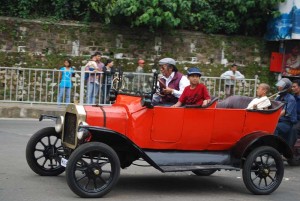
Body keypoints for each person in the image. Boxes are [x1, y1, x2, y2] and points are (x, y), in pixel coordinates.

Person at [274, 78, 297, 147]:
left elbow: (285, 112)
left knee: (274, 128)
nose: (279, 87)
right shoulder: (278, 98)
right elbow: (273, 108)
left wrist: (273, 117)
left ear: (285, 87)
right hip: (278, 121)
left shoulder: (291, 99)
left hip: (287, 123)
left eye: (281, 86)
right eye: (279, 85)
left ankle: (274, 147)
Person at [290, 79, 300, 145]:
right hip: (293, 118)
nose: (292, 88)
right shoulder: (292, 98)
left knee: (294, 129)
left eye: (294, 87)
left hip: (298, 119)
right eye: (292, 87)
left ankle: (289, 150)